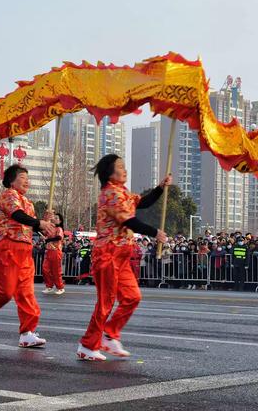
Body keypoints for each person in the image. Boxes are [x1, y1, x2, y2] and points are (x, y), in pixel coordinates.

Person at [77, 154, 170, 361]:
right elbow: (129, 221)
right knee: (106, 302)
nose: (124, 170)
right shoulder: (110, 194)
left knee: (132, 297)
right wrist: (155, 233)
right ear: (110, 173)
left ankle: (110, 334)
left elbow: (143, 203)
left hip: (122, 255)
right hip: (107, 254)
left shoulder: (123, 193)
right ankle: (87, 345)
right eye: (120, 167)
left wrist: (160, 188)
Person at [0, 164, 55, 346]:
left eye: (27, 178)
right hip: (7, 247)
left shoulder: (29, 203)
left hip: (25, 250)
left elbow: (33, 226)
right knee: (5, 291)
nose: (27, 181)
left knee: (27, 293)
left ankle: (27, 333)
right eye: (22, 177)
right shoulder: (8, 195)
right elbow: (17, 215)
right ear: (11, 181)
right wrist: (39, 222)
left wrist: (46, 223)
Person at [42, 213, 65, 295]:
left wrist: (48, 240)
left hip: (56, 251)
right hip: (48, 251)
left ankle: (60, 287)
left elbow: (59, 237)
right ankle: (49, 286)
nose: (54, 219)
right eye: (54, 217)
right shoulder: (50, 228)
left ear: (60, 221)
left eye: (56, 218)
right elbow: (43, 232)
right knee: (45, 269)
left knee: (56, 270)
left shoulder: (59, 229)